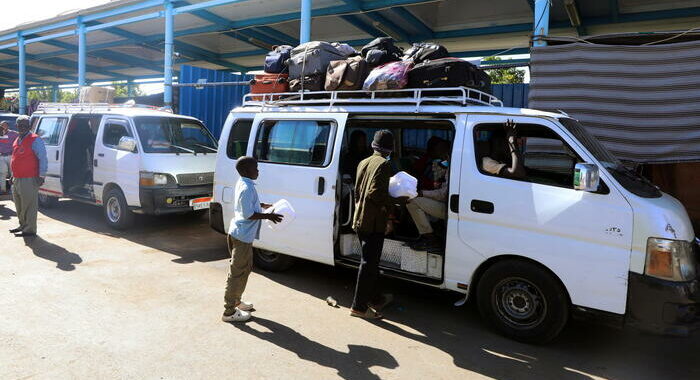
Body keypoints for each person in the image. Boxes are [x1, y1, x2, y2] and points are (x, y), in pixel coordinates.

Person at [350, 130, 407, 319]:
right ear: (390, 149)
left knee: (371, 262)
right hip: (372, 222)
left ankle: (375, 298)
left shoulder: (364, 162)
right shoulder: (384, 164)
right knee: (368, 263)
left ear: (373, 145)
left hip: (360, 218)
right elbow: (375, 193)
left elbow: (358, 191)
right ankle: (358, 307)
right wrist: (397, 201)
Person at [222, 156, 283, 323]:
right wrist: (269, 216)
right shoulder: (247, 188)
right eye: (255, 168)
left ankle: (236, 301)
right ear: (247, 171)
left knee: (245, 269)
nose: (258, 171)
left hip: (240, 234)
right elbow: (249, 214)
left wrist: (262, 205)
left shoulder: (244, 182)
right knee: (237, 272)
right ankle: (228, 311)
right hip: (241, 236)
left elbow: (247, 205)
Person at [9, 115, 47, 237]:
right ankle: (23, 225)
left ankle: (30, 229)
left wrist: (41, 175)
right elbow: (15, 159)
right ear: (16, 126)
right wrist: (12, 175)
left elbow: (43, 159)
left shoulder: (35, 139)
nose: (22, 127)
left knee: (29, 205)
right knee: (19, 204)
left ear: (30, 126)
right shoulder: (17, 140)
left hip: (29, 178)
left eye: (25, 125)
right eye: (20, 125)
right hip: (17, 178)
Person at [406, 161, 449, 250]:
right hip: (450, 206)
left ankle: (430, 238)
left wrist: (421, 193)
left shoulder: (453, 169)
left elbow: (442, 195)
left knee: (412, 202)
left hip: (448, 208)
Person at [0, 121, 19, 194]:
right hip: (1, 156)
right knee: (2, 173)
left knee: (13, 173)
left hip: (11, 156)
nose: (3, 127)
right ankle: (3, 190)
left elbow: (21, 137)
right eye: (2, 125)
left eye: (5, 125)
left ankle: (13, 190)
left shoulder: (13, 133)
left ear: (8, 126)